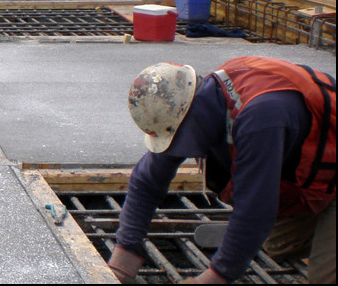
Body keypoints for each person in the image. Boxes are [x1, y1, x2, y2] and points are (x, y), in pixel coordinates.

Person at [110, 57, 335, 284]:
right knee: (278, 246)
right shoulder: (193, 104)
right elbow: (147, 181)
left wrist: (213, 277)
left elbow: (254, 208)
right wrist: (124, 255)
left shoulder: (260, 117)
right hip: (318, 177)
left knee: (325, 276)